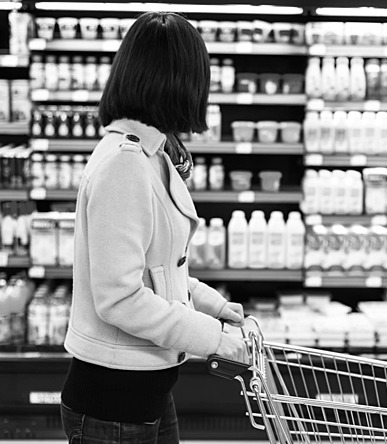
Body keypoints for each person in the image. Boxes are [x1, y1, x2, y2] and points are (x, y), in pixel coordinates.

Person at [60, 11, 249, 444]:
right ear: (178, 82)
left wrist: (214, 305)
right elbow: (120, 297)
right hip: (113, 400)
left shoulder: (151, 154)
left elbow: (158, 268)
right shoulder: (124, 164)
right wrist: (214, 339)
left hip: (147, 389)